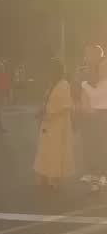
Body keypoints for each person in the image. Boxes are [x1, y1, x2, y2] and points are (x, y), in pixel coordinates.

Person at [35, 59, 75, 190]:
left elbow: (65, 106)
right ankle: (44, 175)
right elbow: (47, 101)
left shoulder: (64, 85)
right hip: (47, 122)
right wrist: (42, 111)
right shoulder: (52, 84)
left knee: (56, 151)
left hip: (58, 124)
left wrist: (50, 114)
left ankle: (55, 178)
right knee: (45, 150)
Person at [74, 44, 104, 183]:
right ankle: (94, 176)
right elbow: (75, 92)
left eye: (89, 54)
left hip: (101, 116)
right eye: (86, 54)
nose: (86, 57)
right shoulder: (81, 72)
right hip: (87, 116)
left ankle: (98, 175)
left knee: (99, 146)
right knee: (89, 146)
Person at [80, 55, 107, 192]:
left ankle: (101, 177)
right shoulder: (87, 84)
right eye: (102, 67)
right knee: (93, 151)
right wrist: (92, 111)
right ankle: (95, 181)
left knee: (103, 151)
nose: (104, 69)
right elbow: (84, 104)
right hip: (93, 121)